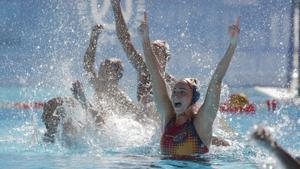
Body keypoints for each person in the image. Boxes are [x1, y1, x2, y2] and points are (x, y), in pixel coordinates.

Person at [138, 12, 240, 158]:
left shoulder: (201, 123)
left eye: (183, 92)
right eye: (175, 91)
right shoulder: (168, 117)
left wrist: (232, 45)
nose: (176, 95)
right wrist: (145, 40)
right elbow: (156, 75)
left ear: (193, 99)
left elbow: (216, 79)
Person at [111, 0, 176, 107]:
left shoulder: (172, 84)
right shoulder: (143, 68)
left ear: (166, 57)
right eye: (150, 49)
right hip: (142, 119)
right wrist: (116, 7)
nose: (151, 52)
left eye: (157, 51)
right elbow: (124, 41)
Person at [83, 24, 141, 119]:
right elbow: (88, 64)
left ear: (117, 74)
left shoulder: (120, 97)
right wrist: (94, 37)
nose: (101, 68)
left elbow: (136, 116)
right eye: (102, 67)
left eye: (106, 67)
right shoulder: (100, 84)